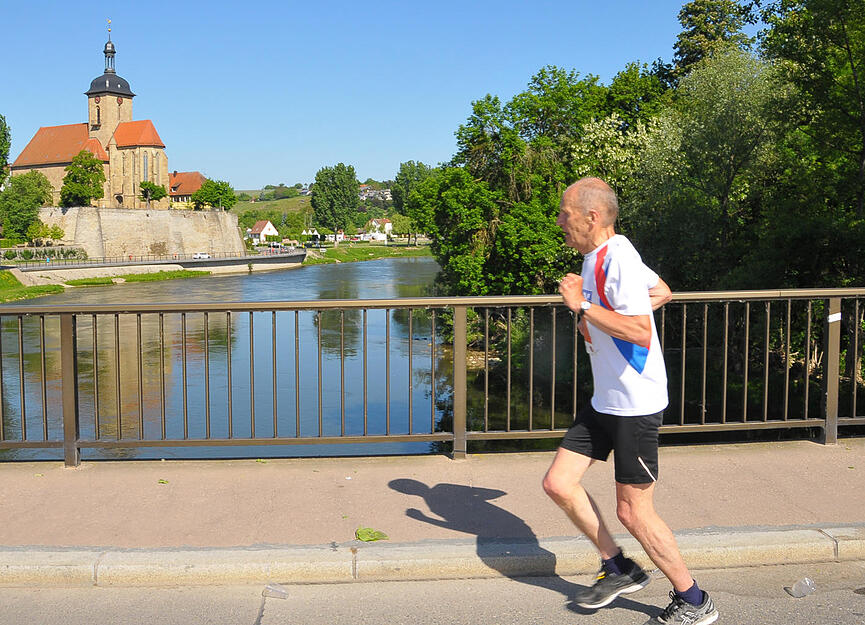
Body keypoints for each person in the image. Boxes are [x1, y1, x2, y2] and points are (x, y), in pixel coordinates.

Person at [543, 178, 718, 625]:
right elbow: (662, 292)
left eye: (565, 213)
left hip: (635, 403)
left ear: (591, 216)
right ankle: (619, 567)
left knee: (633, 511)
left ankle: (695, 601)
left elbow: (640, 330)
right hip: (608, 399)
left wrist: (582, 308)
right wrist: (593, 313)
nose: (559, 221)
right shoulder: (597, 258)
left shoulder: (618, 256)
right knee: (559, 483)